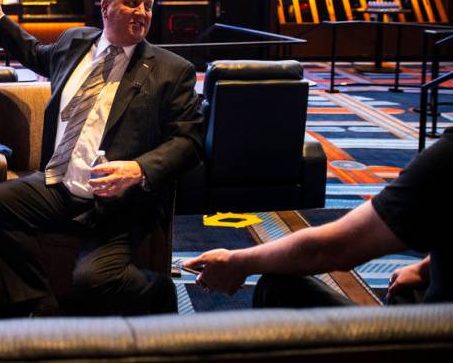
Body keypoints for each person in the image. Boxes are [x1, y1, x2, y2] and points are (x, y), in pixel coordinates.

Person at [0, 0, 203, 317]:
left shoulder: (172, 70)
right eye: (132, 2)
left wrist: (138, 170)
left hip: (116, 205)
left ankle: (160, 290)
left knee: (91, 281)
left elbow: (190, 140)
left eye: (148, 5)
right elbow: (35, 53)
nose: (142, 12)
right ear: (106, 7)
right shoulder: (74, 43)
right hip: (60, 185)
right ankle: (38, 301)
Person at [184, 126, 453, 307]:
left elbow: (335, 248)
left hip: (433, 335)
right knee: (404, 291)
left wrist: (237, 262)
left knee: (277, 289)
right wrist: (424, 267)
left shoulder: (447, 158)